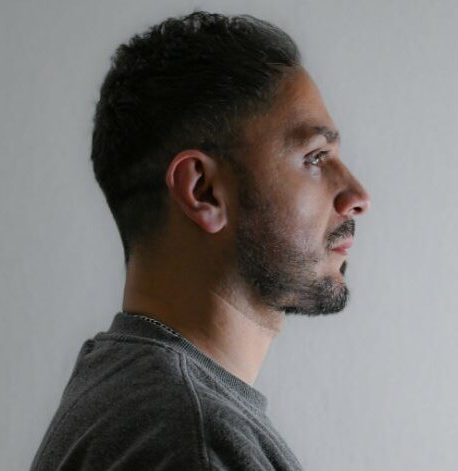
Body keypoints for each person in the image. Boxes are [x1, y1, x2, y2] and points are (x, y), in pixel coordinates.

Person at [30, 10, 370, 471]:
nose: (357, 196)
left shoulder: (123, 382)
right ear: (202, 191)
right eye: (315, 157)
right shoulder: (194, 441)